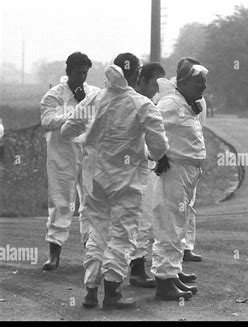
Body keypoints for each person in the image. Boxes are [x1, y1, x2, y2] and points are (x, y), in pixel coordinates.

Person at [61, 53, 169, 309]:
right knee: (122, 234)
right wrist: (151, 154)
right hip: (127, 182)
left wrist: (89, 140)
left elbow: (68, 130)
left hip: (95, 180)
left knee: (97, 231)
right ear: (135, 75)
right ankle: (112, 293)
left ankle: (90, 292)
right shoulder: (142, 104)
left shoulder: (94, 98)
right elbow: (159, 146)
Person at [151, 59, 209, 300]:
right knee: (170, 224)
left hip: (187, 172)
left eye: (204, 83)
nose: (203, 87)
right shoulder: (169, 103)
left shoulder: (186, 102)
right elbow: (148, 127)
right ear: (183, 82)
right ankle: (164, 281)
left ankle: (172, 272)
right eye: (198, 83)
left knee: (179, 224)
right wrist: (158, 154)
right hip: (174, 171)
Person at [40, 52, 100, 271]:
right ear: (68, 72)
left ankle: (91, 249)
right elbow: (46, 121)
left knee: (92, 200)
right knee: (61, 201)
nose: (82, 77)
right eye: (78, 72)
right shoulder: (54, 95)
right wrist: (75, 116)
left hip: (88, 151)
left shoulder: (94, 93)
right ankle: (54, 253)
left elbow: (102, 117)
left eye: (85, 72)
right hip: (62, 153)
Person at [128, 62, 167, 288]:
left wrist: (159, 155)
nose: (157, 89)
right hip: (128, 168)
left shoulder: (153, 104)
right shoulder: (132, 103)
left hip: (145, 166)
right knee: (136, 217)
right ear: (141, 79)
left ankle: (136, 265)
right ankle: (134, 269)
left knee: (145, 217)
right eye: (155, 83)